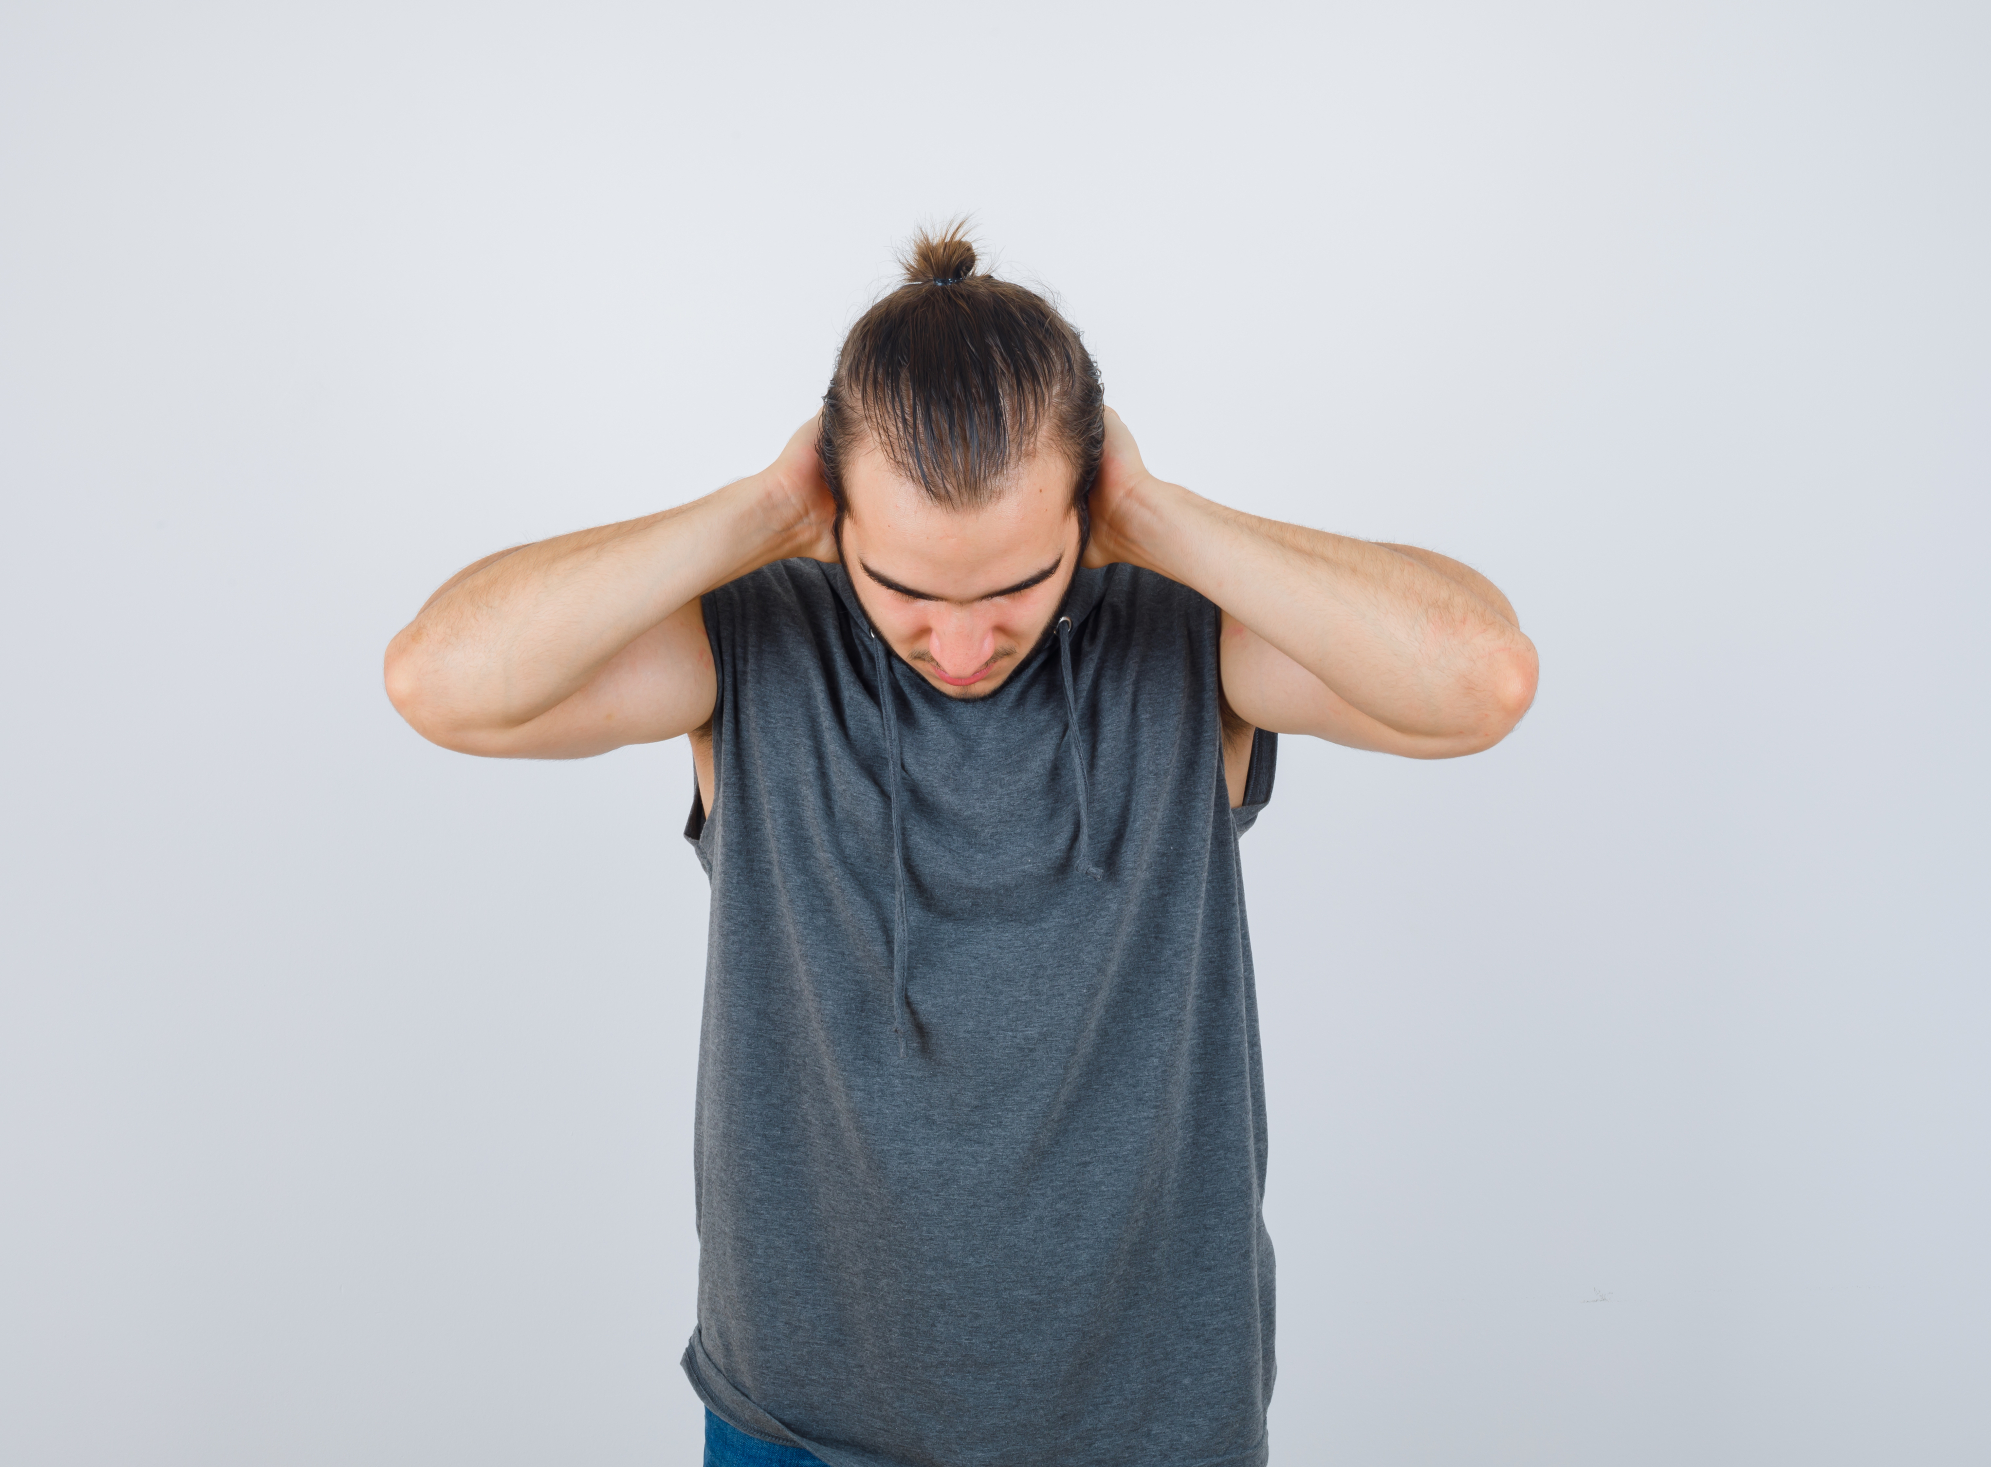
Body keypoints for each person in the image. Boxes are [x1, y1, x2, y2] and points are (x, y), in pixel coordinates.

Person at [383, 224, 1538, 1467]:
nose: (961, 647)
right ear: (836, 516)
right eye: (907, 593)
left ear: (1086, 513)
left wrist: (1154, 515)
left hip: (1150, 1434)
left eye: (1012, 589)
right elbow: (440, 683)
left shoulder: (1190, 642)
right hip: (798, 1429)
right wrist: (766, 508)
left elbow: (1482, 684)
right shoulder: (752, 645)